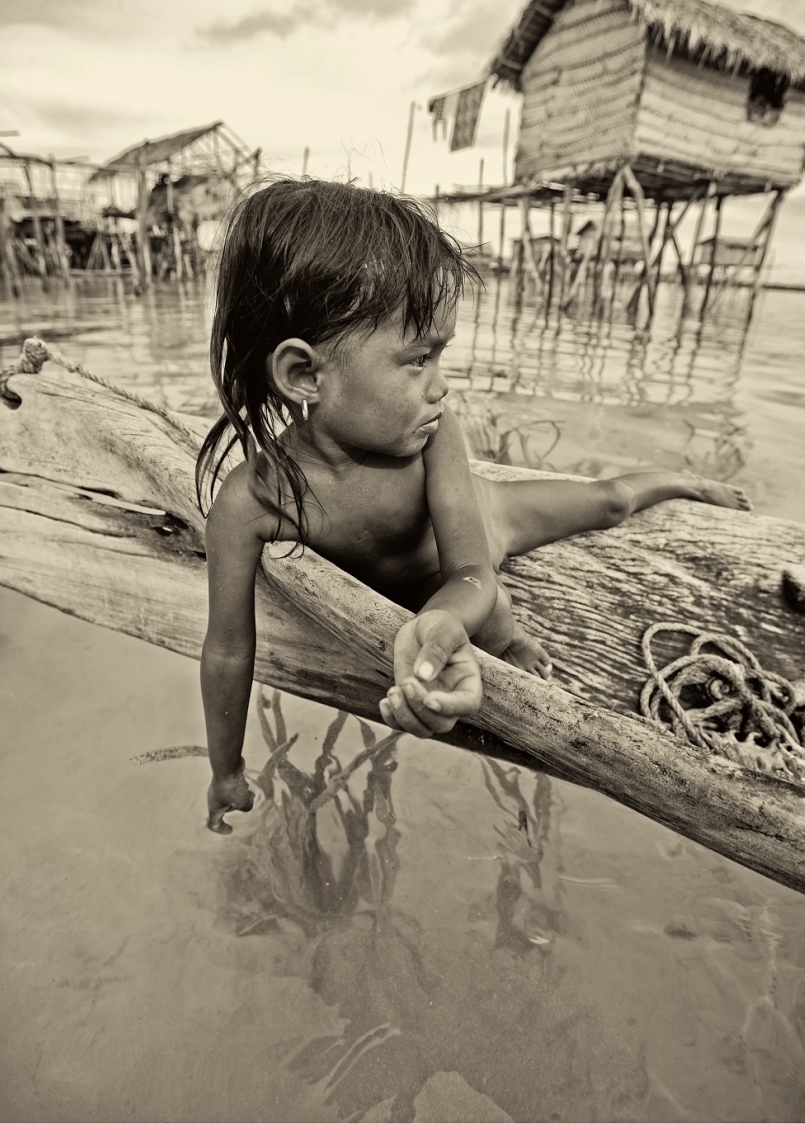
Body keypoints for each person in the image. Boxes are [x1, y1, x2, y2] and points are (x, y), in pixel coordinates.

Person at [196, 178, 750, 834]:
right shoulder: (250, 501)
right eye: (418, 359)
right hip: (436, 556)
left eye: (443, 353)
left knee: (605, 503)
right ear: (304, 377)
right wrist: (224, 768)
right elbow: (229, 648)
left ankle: (682, 481)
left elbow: (471, 574)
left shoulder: (436, 433)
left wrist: (438, 625)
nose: (442, 382)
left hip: (482, 522)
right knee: (485, 608)